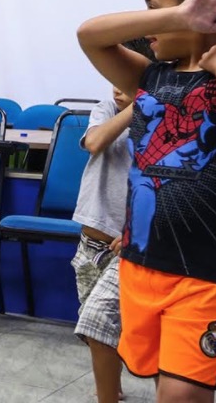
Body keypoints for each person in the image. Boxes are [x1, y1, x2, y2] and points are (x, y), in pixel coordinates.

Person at [77, 0, 216, 402]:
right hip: (141, 265)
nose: (149, 25)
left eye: (156, 9)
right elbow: (88, 35)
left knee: (180, 394)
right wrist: (176, 15)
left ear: (202, 8)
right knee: (161, 382)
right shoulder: (149, 75)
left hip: (205, 273)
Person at [71, 87, 134, 403]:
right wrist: (135, 108)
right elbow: (95, 142)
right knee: (94, 326)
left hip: (127, 247)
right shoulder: (106, 109)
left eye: (125, 82)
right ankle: (113, 387)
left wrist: (135, 231)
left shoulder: (159, 119)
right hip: (90, 244)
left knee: (98, 320)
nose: (117, 89)